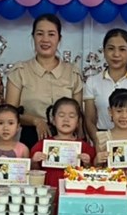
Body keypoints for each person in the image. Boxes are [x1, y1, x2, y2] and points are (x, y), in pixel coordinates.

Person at [6, 14, 83, 149]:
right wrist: (36, 121)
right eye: (40, 34)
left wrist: (82, 142)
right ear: (33, 37)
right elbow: (9, 113)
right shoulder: (20, 71)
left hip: (67, 140)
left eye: (51, 34)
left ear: (59, 39)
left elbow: (79, 115)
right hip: (31, 137)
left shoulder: (72, 73)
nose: (45, 39)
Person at [84, 28, 127, 146]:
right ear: (104, 51)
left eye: (122, 49)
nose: (116, 54)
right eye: (111, 48)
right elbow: (89, 120)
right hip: (104, 141)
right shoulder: (92, 81)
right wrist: (99, 142)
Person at [29, 97, 96, 193]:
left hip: (74, 193)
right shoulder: (42, 145)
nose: (66, 120)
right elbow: (34, 172)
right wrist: (34, 161)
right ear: (53, 120)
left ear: (78, 122)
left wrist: (87, 164)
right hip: (48, 193)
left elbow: (92, 175)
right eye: (61, 115)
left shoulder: (85, 147)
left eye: (71, 116)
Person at [0, 104, 30, 169]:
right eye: (1, 123)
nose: (5, 128)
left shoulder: (23, 149)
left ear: (18, 126)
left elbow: (26, 172)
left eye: (11, 123)